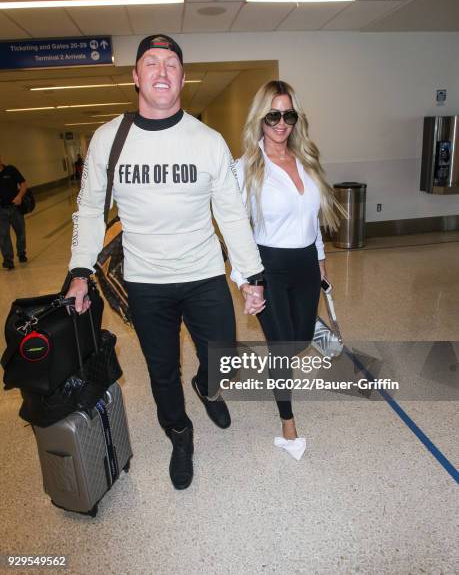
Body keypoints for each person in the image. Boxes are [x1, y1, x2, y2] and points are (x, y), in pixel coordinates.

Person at [66, 34, 265, 490]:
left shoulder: (207, 141)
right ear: (135, 76)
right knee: (161, 371)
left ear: (182, 77)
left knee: (223, 358)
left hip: (204, 274)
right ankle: (179, 433)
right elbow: (90, 209)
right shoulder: (109, 139)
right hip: (145, 280)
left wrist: (250, 275)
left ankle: (207, 386)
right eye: (151, 62)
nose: (161, 70)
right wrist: (79, 271)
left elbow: (231, 213)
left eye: (171, 63)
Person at [231, 80, 344, 455]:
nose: (281, 123)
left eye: (288, 115)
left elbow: (311, 221)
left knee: (297, 340)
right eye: (273, 115)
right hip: (268, 266)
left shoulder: (306, 161)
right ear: (260, 119)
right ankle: (288, 423)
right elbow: (235, 229)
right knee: (281, 348)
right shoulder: (245, 167)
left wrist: (321, 259)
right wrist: (246, 281)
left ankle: (306, 328)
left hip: (305, 266)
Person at [0, 156, 28, 270]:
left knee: (20, 232)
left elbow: (23, 184)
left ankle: (21, 253)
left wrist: (20, 196)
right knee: (3, 235)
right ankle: (8, 259)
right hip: (1, 210)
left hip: (15, 208)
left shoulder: (11, 170)